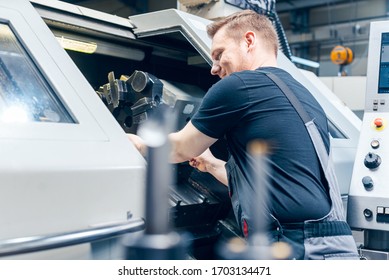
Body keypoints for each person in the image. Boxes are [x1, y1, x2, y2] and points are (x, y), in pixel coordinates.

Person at [128, 9, 359, 260]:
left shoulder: (239, 85)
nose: (213, 69)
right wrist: (214, 165)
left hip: (296, 249)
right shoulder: (303, 94)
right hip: (337, 247)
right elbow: (282, 178)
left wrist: (136, 143)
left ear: (249, 41)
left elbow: (178, 149)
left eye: (219, 55)